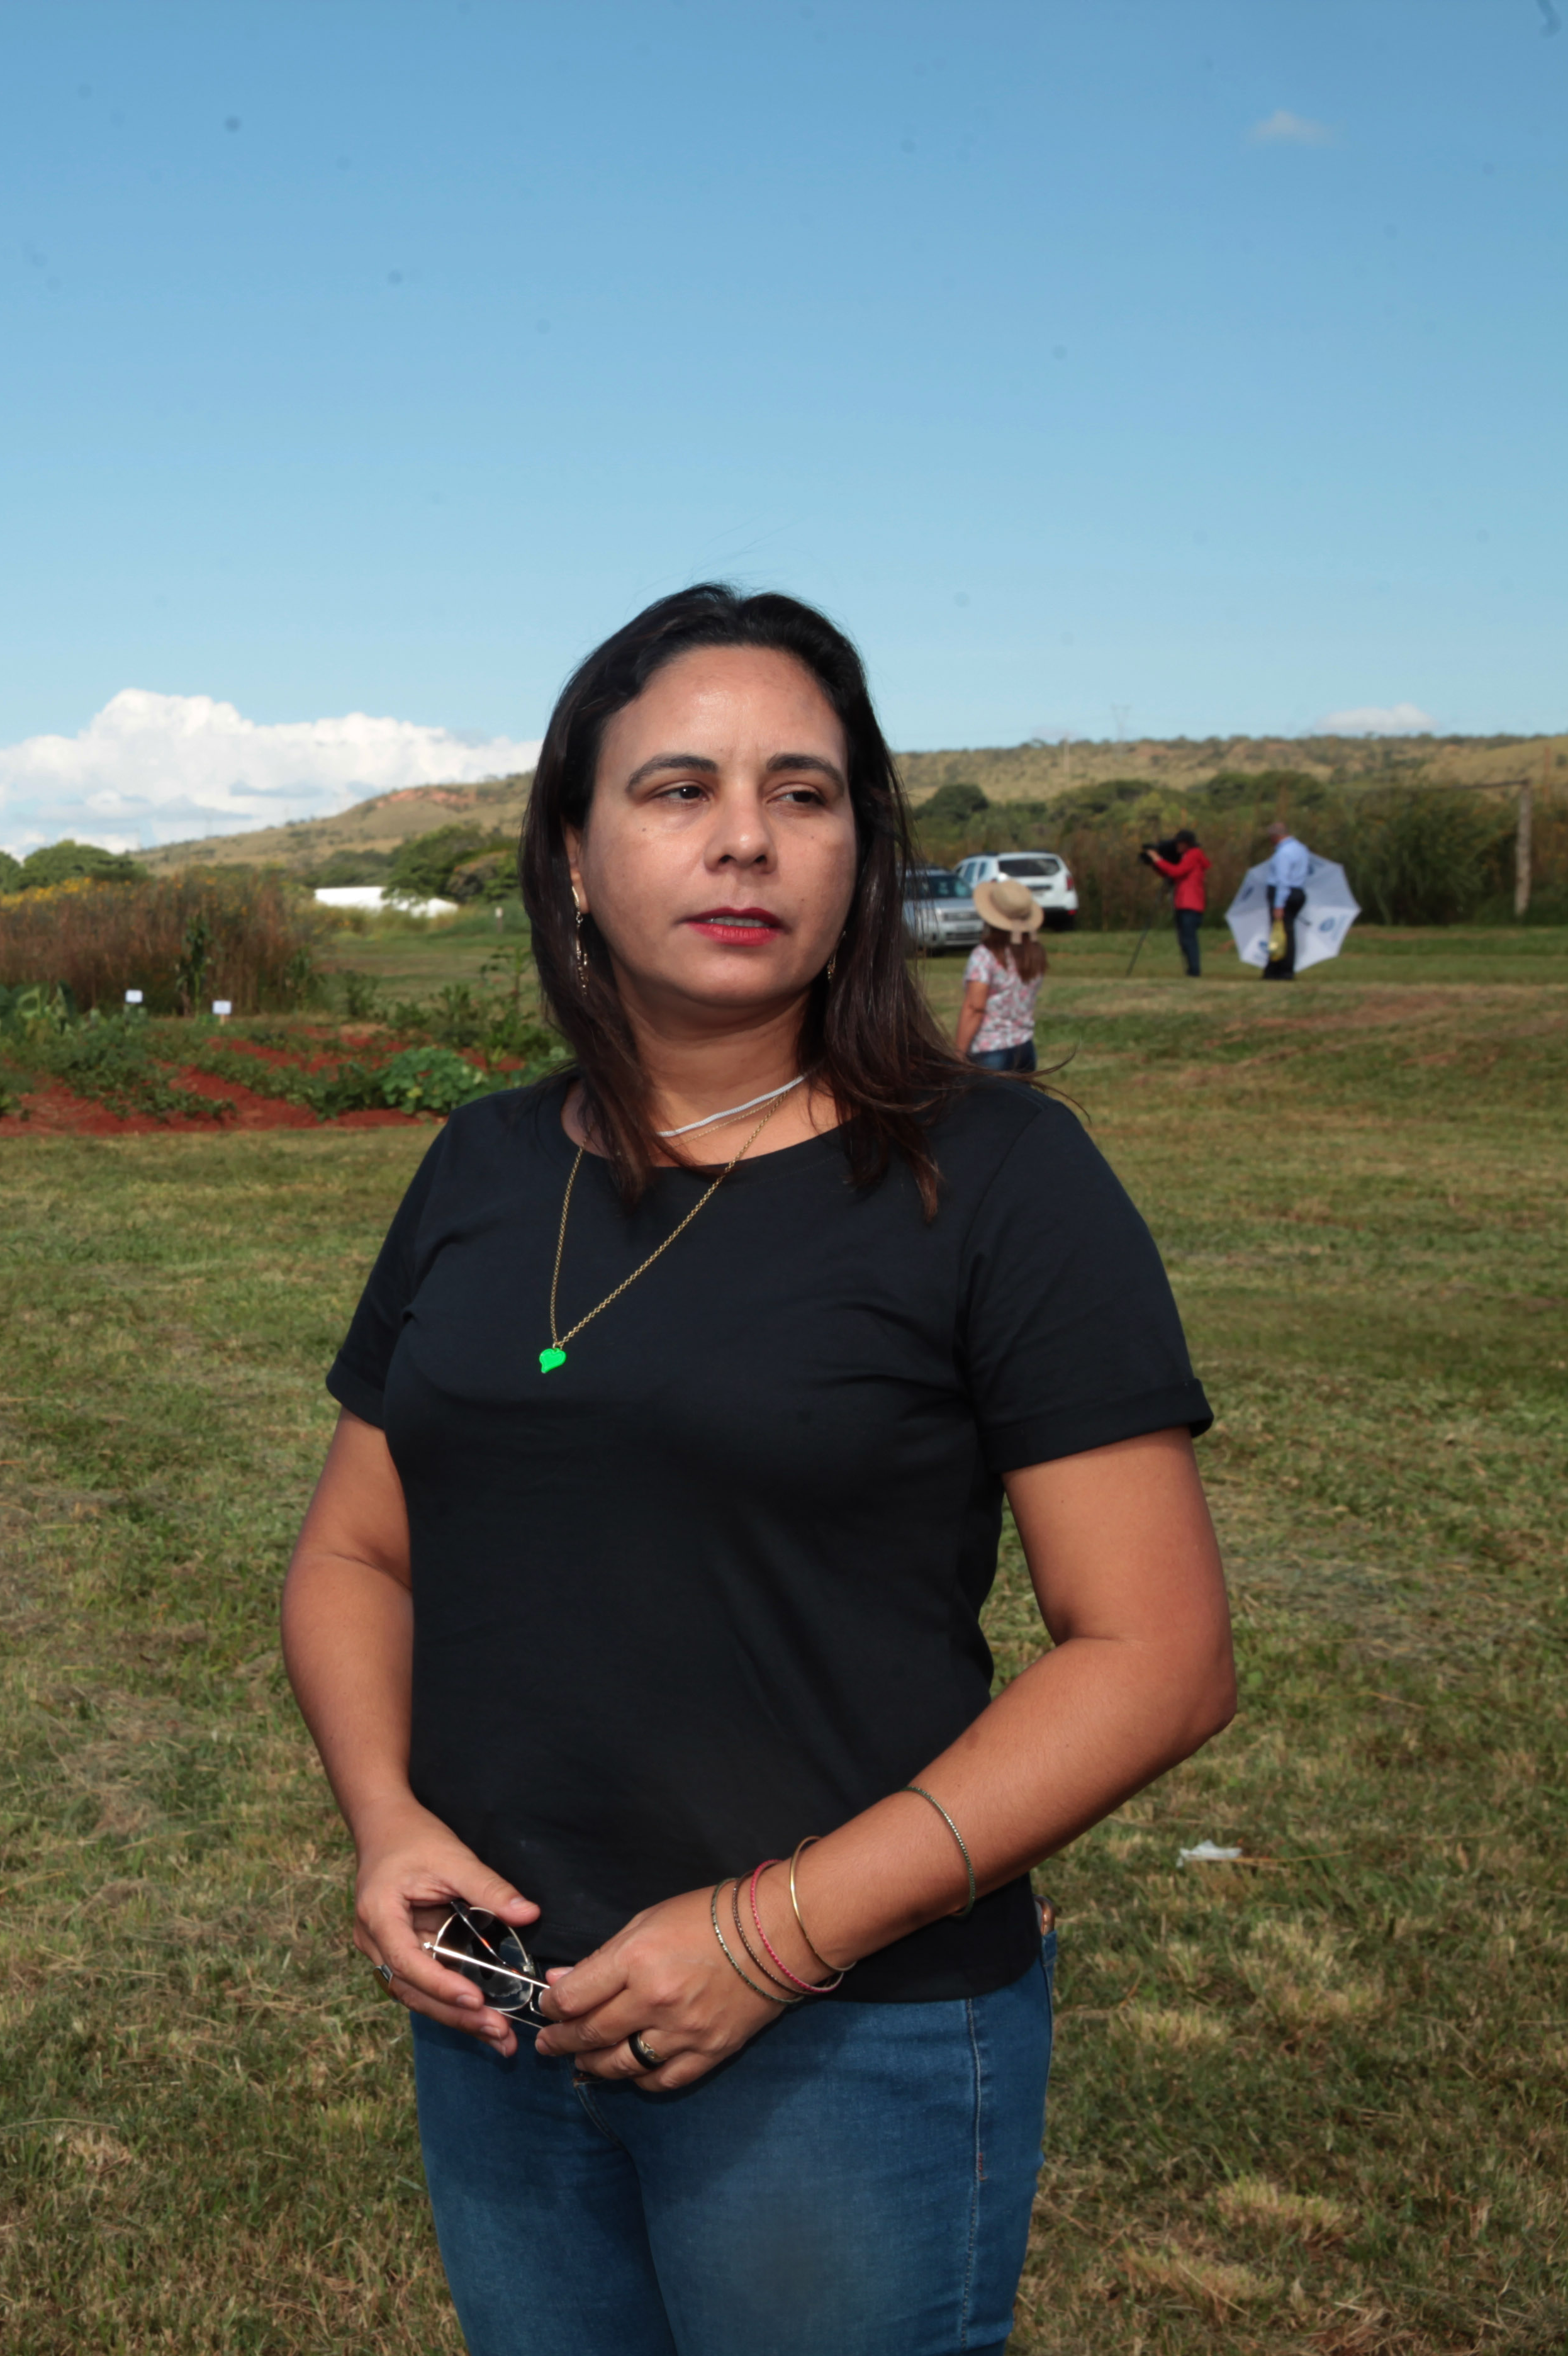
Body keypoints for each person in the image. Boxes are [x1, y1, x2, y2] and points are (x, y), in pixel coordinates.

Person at [283, 583, 1235, 2356]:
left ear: (865, 855)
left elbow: (1159, 1655)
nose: (744, 839)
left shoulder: (997, 1179)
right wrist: (388, 1821)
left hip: (846, 2045)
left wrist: (774, 1935)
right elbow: (358, 1556)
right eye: (676, 790)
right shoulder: (481, 1167)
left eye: (804, 793)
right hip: (504, 2019)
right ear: (570, 854)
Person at [955, 875, 1047, 1072]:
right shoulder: (1033, 954)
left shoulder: (985, 956)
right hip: (1025, 1048)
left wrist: (959, 1053)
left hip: (990, 1051)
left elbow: (975, 1007)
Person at [1140, 827, 1211, 977]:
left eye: (1179, 843)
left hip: (1190, 904)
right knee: (1184, 939)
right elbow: (1170, 875)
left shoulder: (1194, 855)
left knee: (1189, 939)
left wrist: (1158, 859)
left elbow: (1177, 872)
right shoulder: (1186, 856)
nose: (1177, 846)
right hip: (1183, 903)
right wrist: (1155, 864)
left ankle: (1194, 971)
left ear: (1187, 844)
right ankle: (1191, 970)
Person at [1263, 819, 1315, 982]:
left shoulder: (1283, 853)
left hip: (1284, 894)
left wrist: (1279, 904)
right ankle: (1282, 968)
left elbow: (1283, 881)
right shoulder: (1301, 849)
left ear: (1276, 836)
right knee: (1288, 931)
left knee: (1280, 932)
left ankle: (1280, 970)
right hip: (1298, 891)